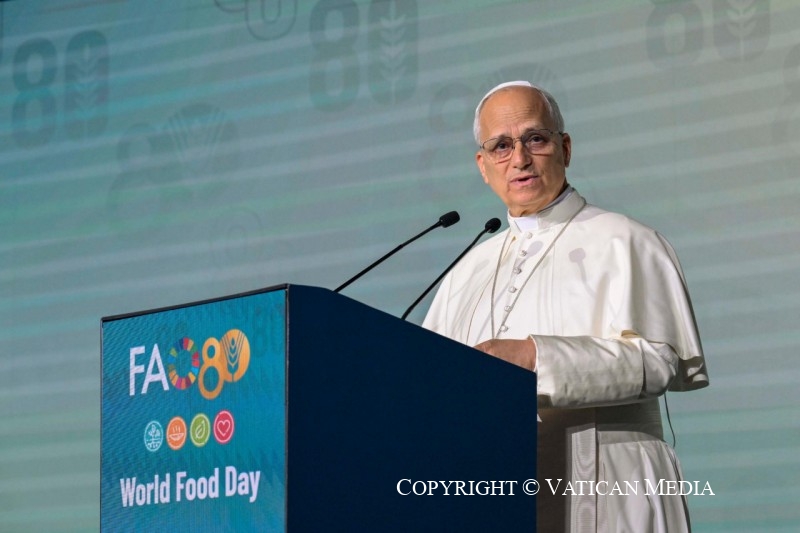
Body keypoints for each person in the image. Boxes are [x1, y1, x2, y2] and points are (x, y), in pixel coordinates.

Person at [422, 81, 709, 532]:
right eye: (501, 146)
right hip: (492, 495)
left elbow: (658, 362)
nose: (519, 159)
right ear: (483, 166)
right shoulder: (466, 271)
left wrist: (535, 357)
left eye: (535, 138)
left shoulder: (626, 240)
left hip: (614, 487)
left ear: (565, 148)